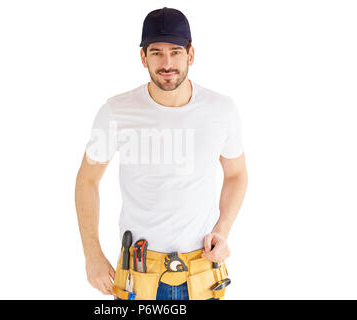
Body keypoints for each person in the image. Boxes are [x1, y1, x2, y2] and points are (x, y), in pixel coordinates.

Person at [75, 7, 248, 300]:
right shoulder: (117, 112)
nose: (167, 63)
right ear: (143, 57)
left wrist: (223, 229)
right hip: (139, 277)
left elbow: (236, 174)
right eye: (156, 52)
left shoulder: (221, 110)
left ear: (190, 54)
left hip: (203, 274)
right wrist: (92, 255)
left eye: (176, 51)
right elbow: (87, 181)